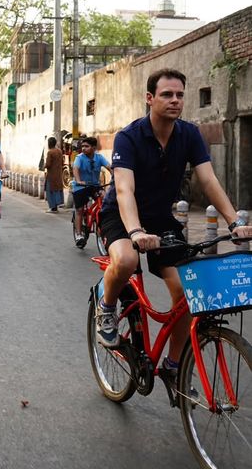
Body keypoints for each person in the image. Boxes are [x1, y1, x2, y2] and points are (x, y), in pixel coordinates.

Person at [97, 68, 252, 384]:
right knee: (125, 260)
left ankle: (173, 364)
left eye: (180, 95)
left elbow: (208, 180)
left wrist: (235, 221)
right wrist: (136, 232)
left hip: (160, 219)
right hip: (122, 215)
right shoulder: (129, 137)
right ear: (150, 98)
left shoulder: (189, 134)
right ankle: (106, 306)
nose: (175, 100)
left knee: (186, 290)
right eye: (167, 94)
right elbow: (124, 189)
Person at [71, 136, 112, 248]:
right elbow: (76, 169)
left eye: (86, 146)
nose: (83, 148)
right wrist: (78, 180)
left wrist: (115, 177)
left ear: (93, 148)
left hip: (94, 185)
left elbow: (109, 167)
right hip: (80, 186)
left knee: (104, 199)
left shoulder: (99, 157)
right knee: (79, 209)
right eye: (83, 146)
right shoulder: (79, 157)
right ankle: (79, 234)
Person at [44, 136, 64, 213]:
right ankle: (56, 206)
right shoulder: (59, 151)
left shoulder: (50, 152)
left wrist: (44, 165)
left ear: (49, 143)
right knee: (57, 189)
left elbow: (48, 164)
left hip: (51, 174)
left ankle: (53, 207)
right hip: (58, 173)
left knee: (50, 190)